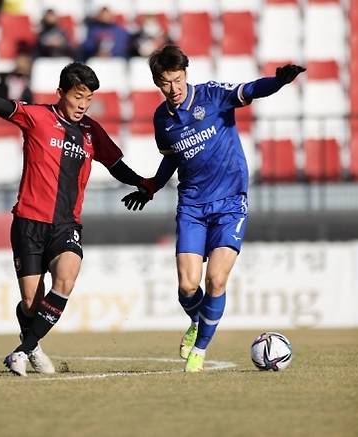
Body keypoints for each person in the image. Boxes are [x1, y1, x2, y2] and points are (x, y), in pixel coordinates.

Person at [0, 62, 152, 376]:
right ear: (61, 92)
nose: (83, 104)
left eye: (88, 98)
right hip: (28, 223)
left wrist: (140, 182)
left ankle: (21, 351)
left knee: (65, 278)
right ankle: (33, 346)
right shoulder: (37, 116)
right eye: (78, 96)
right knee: (30, 305)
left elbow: (115, 163)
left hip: (66, 224)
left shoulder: (92, 131)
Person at [122, 45, 305, 372]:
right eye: (166, 83)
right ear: (156, 83)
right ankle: (198, 322)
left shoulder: (212, 96)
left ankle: (200, 350)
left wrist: (278, 82)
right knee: (187, 286)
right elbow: (171, 158)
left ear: (186, 75)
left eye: (178, 80)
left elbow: (250, 90)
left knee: (216, 280)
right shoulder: (162, 119)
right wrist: (152, 185)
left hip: (230, 203)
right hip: (192, 204)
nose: (174, 89)